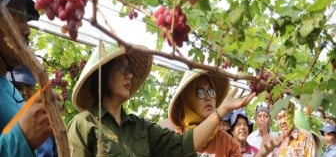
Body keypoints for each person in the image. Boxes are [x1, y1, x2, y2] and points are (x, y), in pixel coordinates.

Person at [67, 43, 256, 156]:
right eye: (122, 68)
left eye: (130, 71)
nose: (129, 76)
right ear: (103, 73)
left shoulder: (140, 127)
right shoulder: (83, 125)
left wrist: (221, 111)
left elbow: (183, 145)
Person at [0, 0, 57, 156]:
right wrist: (21, 138)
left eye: (26, 19)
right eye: (16, 16)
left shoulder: (10, 90)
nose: (27, 30)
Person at [168, 69, 242, 156]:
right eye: (201, 92)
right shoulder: (174, 140)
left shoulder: (229, 144)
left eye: (211, 92)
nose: (208, 97)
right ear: (188, 100)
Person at [6, 65, 58, 157]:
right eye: (18, 87)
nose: (24, 92)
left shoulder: (45, 119)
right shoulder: (5, 116)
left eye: (28, 86)